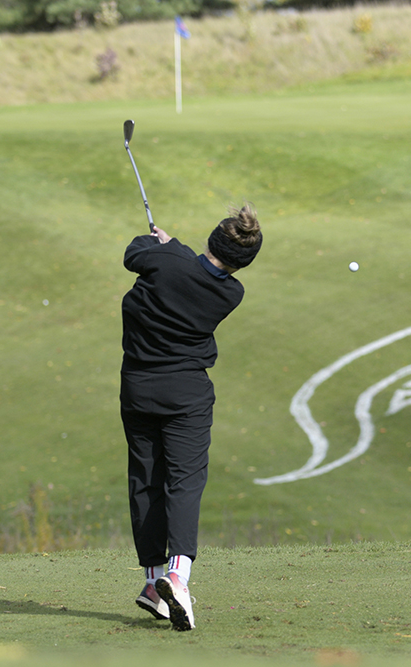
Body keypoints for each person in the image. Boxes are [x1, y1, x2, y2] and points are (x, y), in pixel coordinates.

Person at [120, 204, 262, 631]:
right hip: (187, 395)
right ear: (244, 261)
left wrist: (163, 243)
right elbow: (189, 270)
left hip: (138, 387)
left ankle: (152, 580)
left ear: (212, 239)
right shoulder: (231, 293)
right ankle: (177, 578)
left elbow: (134, 253)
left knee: (144, 479)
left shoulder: (168, 259)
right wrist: (172, 249)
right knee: (184, 481)